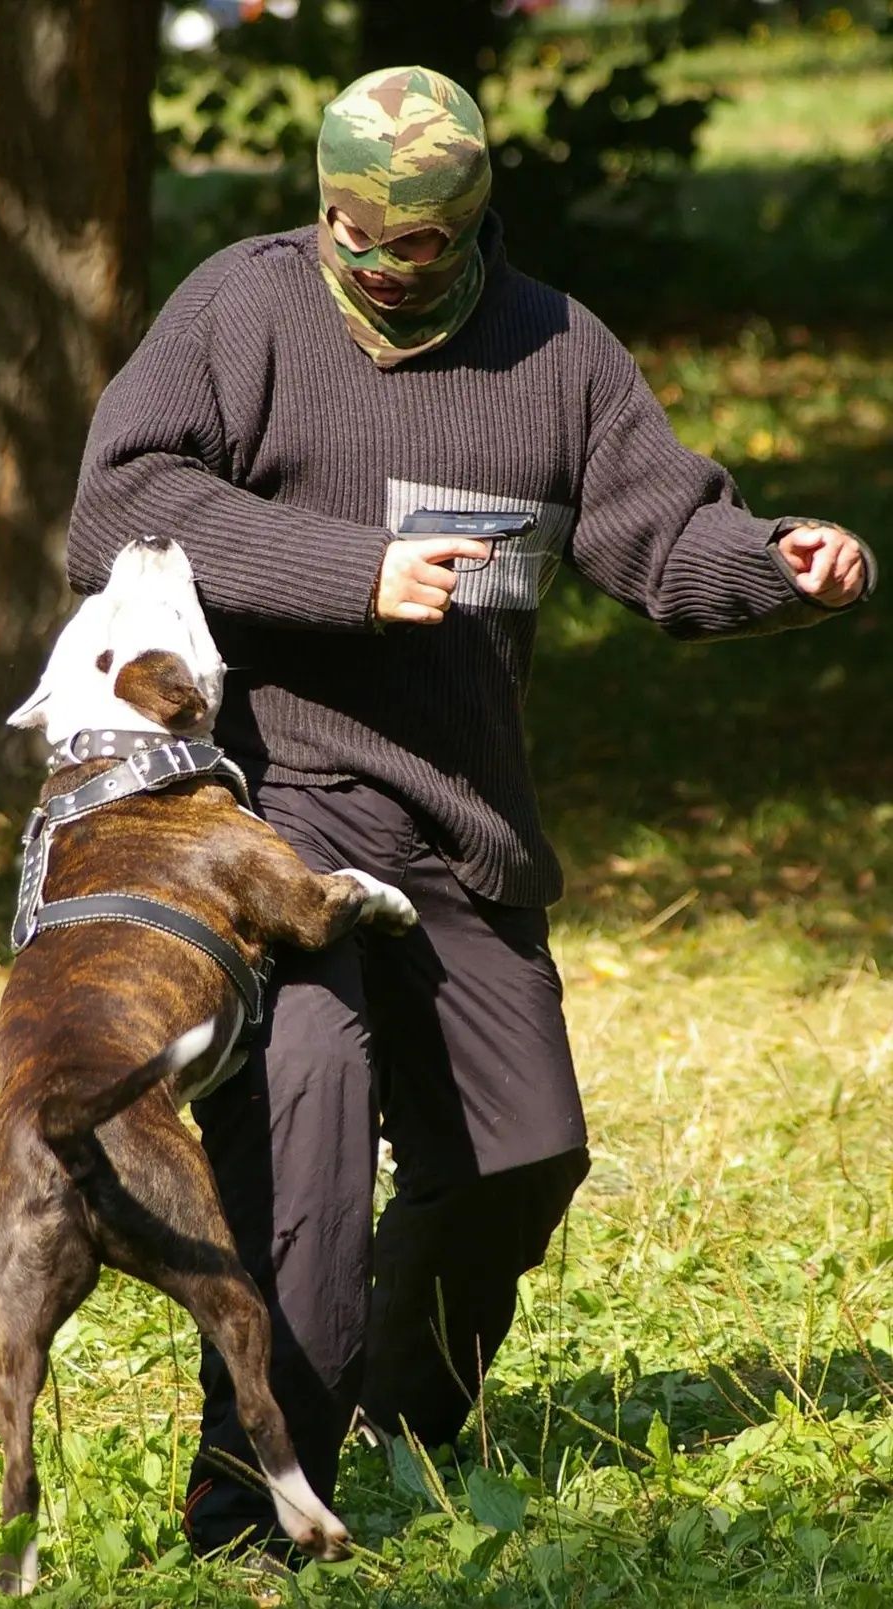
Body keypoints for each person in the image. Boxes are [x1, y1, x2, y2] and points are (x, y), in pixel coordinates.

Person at [65, 65, 875, 1557]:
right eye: (355, 235)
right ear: (324, 205)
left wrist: (781, 561)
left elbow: (663, 539)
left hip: (460, 822)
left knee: (522, 1155)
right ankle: (252, 1503)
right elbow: (114, 509)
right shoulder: (241, 314)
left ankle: (401, 1418)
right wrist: (344, 572)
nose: (382, 266)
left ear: (472, 221)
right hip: (274, 812)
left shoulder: (556, 352)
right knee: (308, 1101)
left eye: (417, 243)